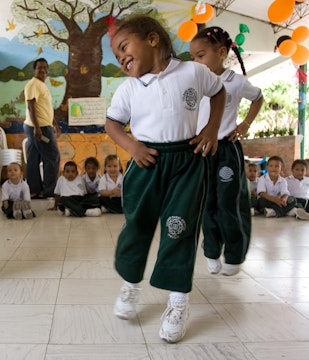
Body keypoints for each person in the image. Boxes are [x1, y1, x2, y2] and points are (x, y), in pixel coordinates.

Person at [105, 15, 226, 343]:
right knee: (137, 225)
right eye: (117, 57)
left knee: (180, 227)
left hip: (186, 161)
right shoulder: (129, 88)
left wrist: (212, 128)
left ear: (153, 39)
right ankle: (130, 285)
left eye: (124, 47)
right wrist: (132, 145)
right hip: (146, 163)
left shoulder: (194, 72)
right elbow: (112, 123)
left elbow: (219, 93)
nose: (121, 58)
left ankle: (178, 301)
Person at [190, 26, 264, 277]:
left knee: (228, 202)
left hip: (225, 150)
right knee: (206, 202)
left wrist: (245, 124)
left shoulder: (236, 82)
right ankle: (211, 251)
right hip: (200, 150)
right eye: (193, 57)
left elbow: (258, 98)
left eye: (201, 55)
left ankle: (234, 254)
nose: (196, 61)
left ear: (221, 52)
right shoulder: (194, 81)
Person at [23, 58, 61, 199]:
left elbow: (45, 108)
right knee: (53, 157)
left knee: (34, 157)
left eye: (45, 67)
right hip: (40, 128)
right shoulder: (33, 84)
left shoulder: (42, 85)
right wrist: (37, 128)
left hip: (41, 126)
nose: (43, 70)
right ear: (34, 70)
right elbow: (31, 106)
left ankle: (34, 190)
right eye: (39, 68)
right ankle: (49, 191)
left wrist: (55, 124)